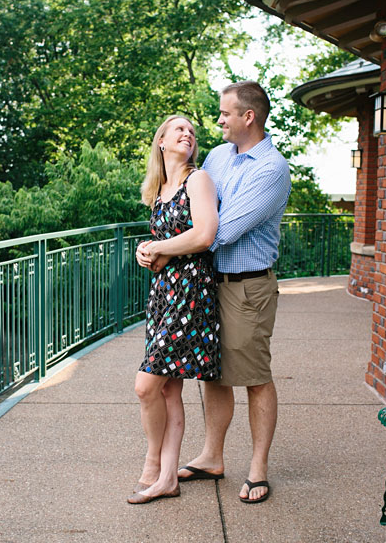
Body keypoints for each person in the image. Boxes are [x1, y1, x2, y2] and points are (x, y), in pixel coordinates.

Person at [138, 81, 290, 504]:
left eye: (225, 114)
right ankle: (211, 457)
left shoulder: (271, 169)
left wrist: (162, 251)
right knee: (214, 376)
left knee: (254, 377)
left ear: (249, 117)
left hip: (247, 287)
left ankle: (258, 467)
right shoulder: (219, 156)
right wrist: (157, 245)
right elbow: (186, 209)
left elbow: (216, 232)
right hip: (206, 286)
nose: (218, 120)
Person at [127, 115, 221, 504]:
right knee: (167, 389)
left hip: (191, 295)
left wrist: (159, 249)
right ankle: (168, 478)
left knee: (145, 384)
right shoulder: (159, 190)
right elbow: (160, 242)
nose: (188, 134)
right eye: (178, 129)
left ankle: (153, 463)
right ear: (161, 141)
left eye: (192, 132)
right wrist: (144, 252)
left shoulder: (196, 180)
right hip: (164, 295)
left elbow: (204, 234)